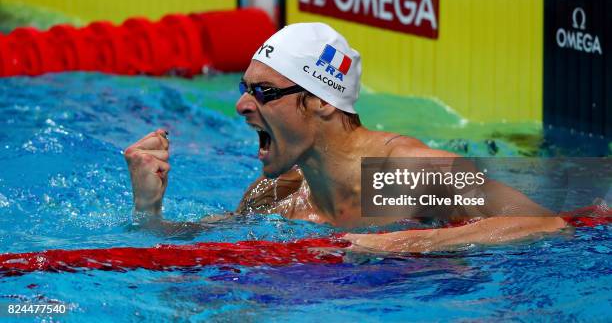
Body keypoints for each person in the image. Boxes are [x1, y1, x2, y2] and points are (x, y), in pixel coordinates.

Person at [124, 23, 566, 252]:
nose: (241, 105)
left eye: (264, 93)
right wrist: (149, 207)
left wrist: (413, 241)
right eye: (245, 89)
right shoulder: (282, 191)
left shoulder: (396, 177)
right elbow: (193, 240)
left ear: (323, 102)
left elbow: (546, 223)